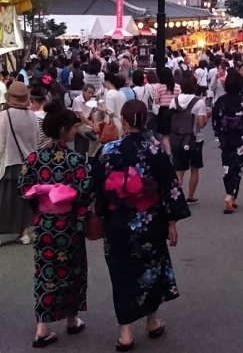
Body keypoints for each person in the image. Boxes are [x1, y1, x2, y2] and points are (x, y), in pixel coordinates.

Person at [92, 99, 191, 351]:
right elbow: (170, 189)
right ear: (145, 122)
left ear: (123, 122)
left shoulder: (106, 151)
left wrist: (101, 214)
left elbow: (97, 189)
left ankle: (125, 333)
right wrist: (172, 222)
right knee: (151, 271)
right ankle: (151, 321)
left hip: (117, 223)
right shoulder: (156, 151)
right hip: (149, 222)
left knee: (121, 274)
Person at [18, 100, 93, 348]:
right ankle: (71, 318)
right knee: (73, 270)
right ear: (63, 130)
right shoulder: (75, 160)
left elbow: (24, 189)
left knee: (46, 273)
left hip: (45, 224)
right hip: (70, 224)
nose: (75, 131)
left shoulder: (33, 158)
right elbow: (85, 191)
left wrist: (41, 200)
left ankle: (43, 327)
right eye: (72, 127)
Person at [212, 69, 243, 213]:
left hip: (226, 137)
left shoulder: (221, 101)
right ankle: (231, 195)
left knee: (227, 165)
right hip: (240, 138)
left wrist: (220, 132)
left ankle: (230, 195)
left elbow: (215, 121)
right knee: (238, 167)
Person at [0, 82, 39, 244]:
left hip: (10, 162)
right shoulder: (33, 116)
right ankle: (23, 232)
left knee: (5, 200)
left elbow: (0, 144)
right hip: (28, 164)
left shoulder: (4, 116)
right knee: (23, 200)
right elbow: (36, 141)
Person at [169, 72, 211, 205]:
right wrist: (208, 116)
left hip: (177, 138)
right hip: (194, 139)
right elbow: (201, 124)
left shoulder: (174, 101)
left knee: (179, 170)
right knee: (194, 168)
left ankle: (177, 196)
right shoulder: (198, 102)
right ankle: (190, 196)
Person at [154, 67, 181, 155]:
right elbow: (180, 99)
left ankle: (169, 154)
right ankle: (175, 152)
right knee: (174, 134)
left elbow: (156, 101)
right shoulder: (177, 87)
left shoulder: (158, 87)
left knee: (165, 136)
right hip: (174, 111)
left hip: (163, 112)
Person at [73, 84, 100, 157]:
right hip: (79, 124)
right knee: (94, 136)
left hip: (87, 123)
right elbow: (81, 116)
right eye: (89, 92)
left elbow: (91, 113)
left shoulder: (90, 100)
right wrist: (93, 125)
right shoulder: (77, 100)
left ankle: (92, 155)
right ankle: (91, 156)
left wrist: (95, 123)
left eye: (92, 93)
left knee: (99, 132)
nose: (90, 95)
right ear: (83, 91)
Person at [98, 72, 126, 137]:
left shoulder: (110, 94)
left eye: (104, 82)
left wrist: (99, 108)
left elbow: (110, 112)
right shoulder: (121, 93)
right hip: (122, 122)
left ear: (108, 82)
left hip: (114, 124)